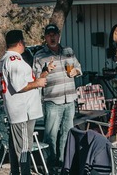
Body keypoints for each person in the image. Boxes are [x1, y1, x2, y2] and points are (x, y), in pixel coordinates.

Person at [0, 29, 48, 175]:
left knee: (15, 146)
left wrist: (44, 73)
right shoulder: (15, 61)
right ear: (20, 42)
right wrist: (37, 84)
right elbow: (19, 86)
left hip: (16, 110)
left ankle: (15, 172)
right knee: (25, 147)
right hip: (23, 112)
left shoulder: (4, 59)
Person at [32, 24, 82, 169]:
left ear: (59, 36)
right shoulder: (39, 55)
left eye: (54, 34)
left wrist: (76, 72)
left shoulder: (68, 51)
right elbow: (36, 79)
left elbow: (78, 67)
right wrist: (46, 71)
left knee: (67, 133)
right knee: (51, 135)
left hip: (70, 99)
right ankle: (51, 165)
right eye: (49, 35)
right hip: (52, 101)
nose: (52, 37)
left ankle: (64, 164)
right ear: (45, 37)